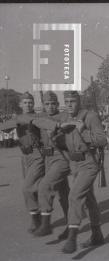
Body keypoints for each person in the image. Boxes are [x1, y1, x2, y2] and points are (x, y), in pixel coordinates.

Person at [57, 91, 107, 254]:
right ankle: (97, 233)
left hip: (89, 163)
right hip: (74, 164)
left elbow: (102, 140)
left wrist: (83, 129)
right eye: (67, 101)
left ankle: (72, 238)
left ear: (79, 102)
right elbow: (62, 143)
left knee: (75, 195)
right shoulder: (64, 117)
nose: (69, 104)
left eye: (73, 101)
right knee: (89, 199)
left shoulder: (90, 116)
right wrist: (56, 136)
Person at [0, 92, 45, 234]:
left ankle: (37, 217)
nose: (28, 105)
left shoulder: (39, 116)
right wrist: (17, 122)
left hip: (38, 154)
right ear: (20, 105)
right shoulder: (17, 118)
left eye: (30, 102)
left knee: (27, 187)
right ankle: (35, 216)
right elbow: (4, 127)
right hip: (25, 156)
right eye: (25, 102)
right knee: (31, 188)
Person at [30, 91, 70, 239]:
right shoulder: (41, 118)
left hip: (61, 157)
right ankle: (70, 226)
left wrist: (57, 132)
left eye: (53, 103)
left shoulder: (64, 117)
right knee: (64, 195)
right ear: (43, 105)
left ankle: (46, 225)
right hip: (48, 159)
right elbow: (34, 121)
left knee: (45, 186)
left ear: (58, 104)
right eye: (47, 104)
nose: (51, 106)